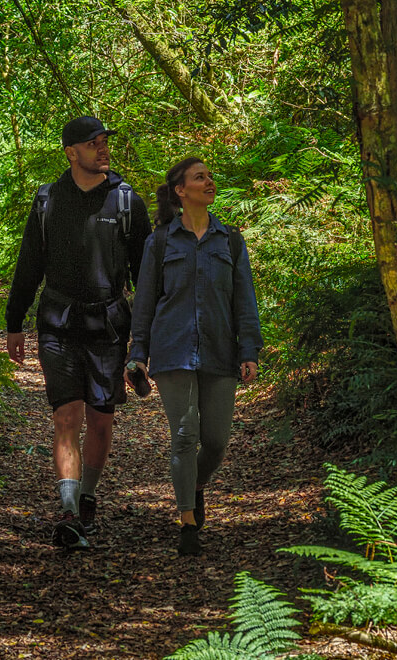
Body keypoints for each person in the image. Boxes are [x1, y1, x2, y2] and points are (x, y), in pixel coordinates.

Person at [5, 116, 150, 549]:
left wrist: (146, 341)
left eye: (104, 141)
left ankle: (87, 496)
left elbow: (145, 277)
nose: (102, 149)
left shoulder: (127, 202)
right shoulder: (48, 201)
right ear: (71, 152)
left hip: (108, 325)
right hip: (58, 323)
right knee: (66, 417)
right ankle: (68, 512)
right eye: (92, 143)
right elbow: (29, 263)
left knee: (100, 421)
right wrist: (14, 322)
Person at [126, 157, 262, 556]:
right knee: (185, 436)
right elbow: (145, 303)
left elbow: (244, 300)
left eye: (210, 176)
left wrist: (249, 349)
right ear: (181, 191)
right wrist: (138, 354)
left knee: (216, 442)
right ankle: (187, 521)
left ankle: (196, 484)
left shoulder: (229, 240)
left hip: (220, 351)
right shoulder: (160, 242)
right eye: (199, 177)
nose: (209, 182)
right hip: (172, 351)